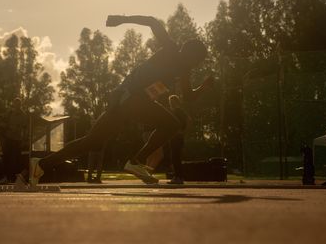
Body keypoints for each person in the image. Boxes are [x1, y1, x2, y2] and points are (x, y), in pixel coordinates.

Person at [30, 14, 212, 186]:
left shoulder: (183, 70)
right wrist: (123, 19)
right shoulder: (172, 50)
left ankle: (42, 164)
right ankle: (136, 161)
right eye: (197, 60)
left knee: (93, 141)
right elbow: (152, 22)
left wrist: (204, 87)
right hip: (129, 96)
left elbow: (188, 97)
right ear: (189, 53)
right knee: (171, 124)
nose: (196, 65)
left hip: (131, 102)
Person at [0, 97, 30, 182]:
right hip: (8, 139)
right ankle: (6, 177)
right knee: (6, 158)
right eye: (15, 104)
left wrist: (24, 139)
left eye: (18, 104)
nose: (17, 105)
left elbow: (25, 128)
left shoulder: (23, 115)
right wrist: (6, 126)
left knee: (17, 159)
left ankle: (17, 178)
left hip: (17, 140)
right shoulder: (9, 113)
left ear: (20, 105)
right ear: (13, 104)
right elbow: (2, 123)